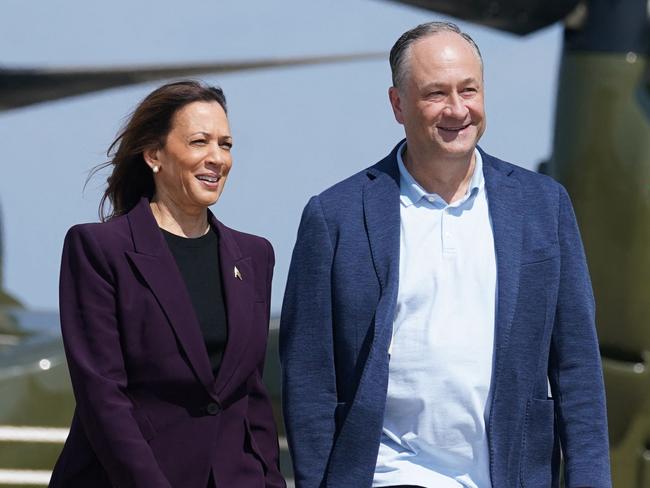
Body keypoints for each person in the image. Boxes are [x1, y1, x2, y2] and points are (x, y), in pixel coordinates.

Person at [280, 22, 611, 488]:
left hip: (512, 477)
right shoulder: (334, 216)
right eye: (436, 93)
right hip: (389, 476)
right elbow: (310, 380)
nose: (457, 109)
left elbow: (577, 367)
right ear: (398, 104)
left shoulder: (543, 206)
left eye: (468, 90)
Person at [50, 80, 285, 488]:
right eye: (199, 142)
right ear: (154, 155)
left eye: (225, 145)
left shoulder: (255, 255)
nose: (217, 159)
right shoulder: (99, 249)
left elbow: (251, 398)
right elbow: (102, 397)